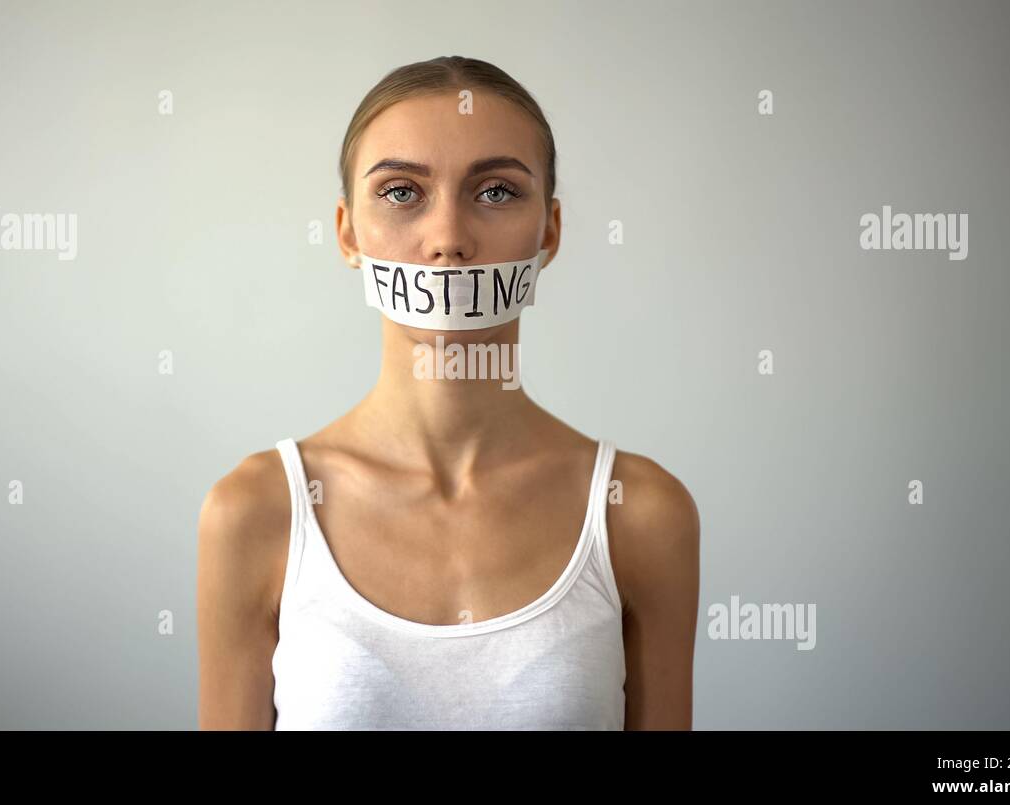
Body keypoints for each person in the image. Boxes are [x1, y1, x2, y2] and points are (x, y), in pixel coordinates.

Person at [197, 56, 699, 730]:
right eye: (402, 192)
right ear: (347, 232)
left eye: (495, 192)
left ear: (549, 230)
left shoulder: (639, 514)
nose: (448, 241)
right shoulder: (254, 512)